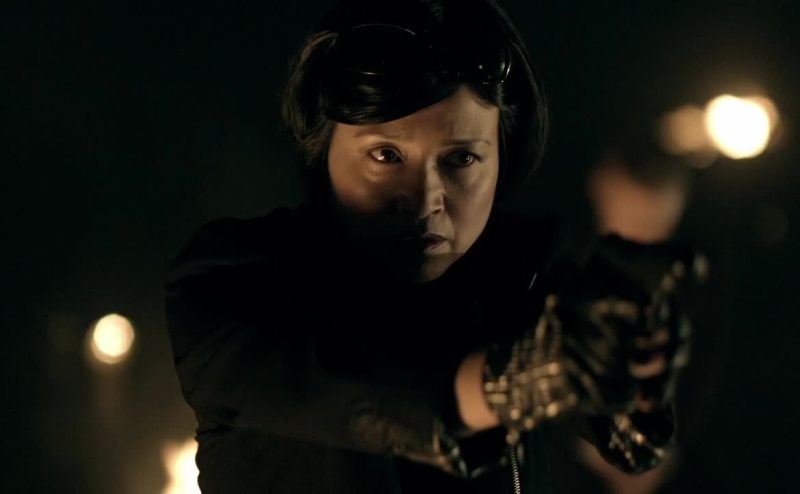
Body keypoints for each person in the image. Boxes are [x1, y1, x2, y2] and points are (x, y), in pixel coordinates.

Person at [165, 1, 699, 492]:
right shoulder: (235, 283)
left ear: (502, 158)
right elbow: (349, 382)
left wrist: (631, 372)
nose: (425, 201)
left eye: (461, 159)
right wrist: (508, 384)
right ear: (322, 147)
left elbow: (633, 443)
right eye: (386, 156)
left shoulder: (524, 284)